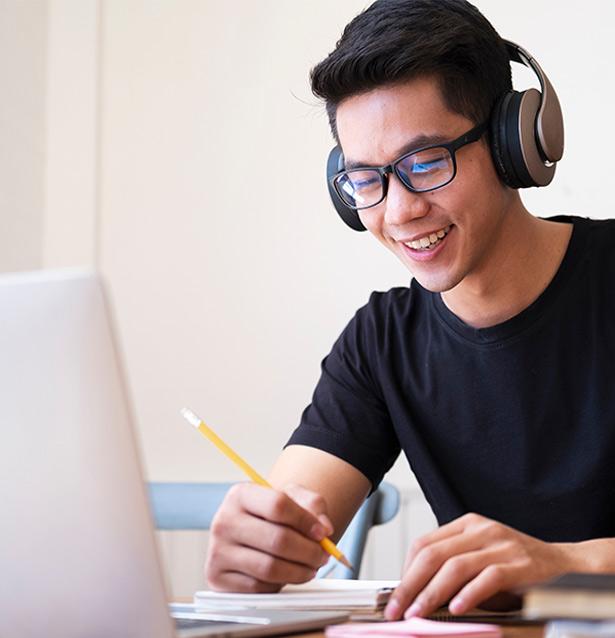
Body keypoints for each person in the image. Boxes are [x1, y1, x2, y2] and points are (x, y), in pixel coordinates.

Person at [205, 0, 615, 620]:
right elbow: (296, 506)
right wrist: (259, 544)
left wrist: (569, 565)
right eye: (365, 179)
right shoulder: (380, 342)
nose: (398, 213)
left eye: (425, 163)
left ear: (514, 144)